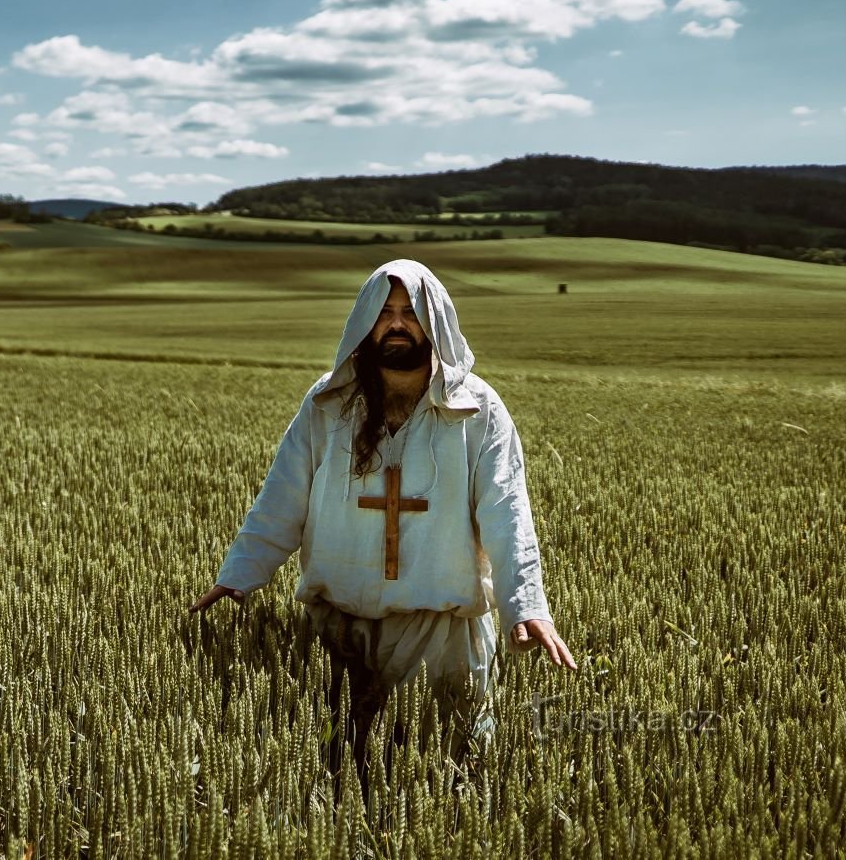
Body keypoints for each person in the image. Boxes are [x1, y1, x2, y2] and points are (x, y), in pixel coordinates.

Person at [189, 259, 576, 795]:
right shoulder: (328, 403)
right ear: (366, 322)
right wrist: (240, 574)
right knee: (334, 777)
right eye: (386, 312)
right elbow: (283, 494)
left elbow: (508, 511)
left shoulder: (478, 410)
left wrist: (526, 605)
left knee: (443, 782)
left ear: (434, 322)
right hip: (337, 629)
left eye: (410, 314)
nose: (397, 324)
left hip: (437, 633)